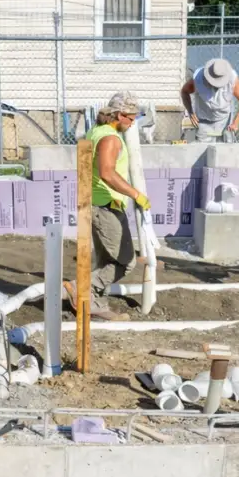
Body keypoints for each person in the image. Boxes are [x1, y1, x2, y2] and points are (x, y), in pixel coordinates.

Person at [65, 92, 151, 321]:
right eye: (131, 118)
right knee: (125, 262)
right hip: (105, 206)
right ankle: (80, 289)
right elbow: (106, 172)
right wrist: (136, 194)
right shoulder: (111, 138)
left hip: (96, 204)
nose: (132, 123)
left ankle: (95, 305)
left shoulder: (96, 131)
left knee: (106, 262)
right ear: (120, 115)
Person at [180, 58, 239, 143]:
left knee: (225, 148)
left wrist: (235, 123)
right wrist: (190, 112)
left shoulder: (232, 80)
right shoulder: (198, 79)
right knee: (202, 149)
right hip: (203, 122)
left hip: (224, 121)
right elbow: (184, 91)